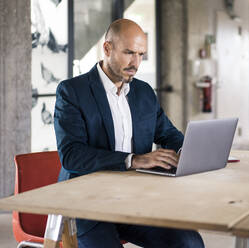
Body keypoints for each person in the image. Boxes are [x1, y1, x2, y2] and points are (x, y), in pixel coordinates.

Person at [54, 19, 205, 248]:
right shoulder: (72, 91)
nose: (136, 62)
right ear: (107, 48)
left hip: (134, 200)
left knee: (189, 242)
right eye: (128, 53)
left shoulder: (143, 92)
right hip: (85, 205)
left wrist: (186, 152)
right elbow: (72, 155)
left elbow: (168, 134)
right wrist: (133, 160)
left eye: (141, 54)